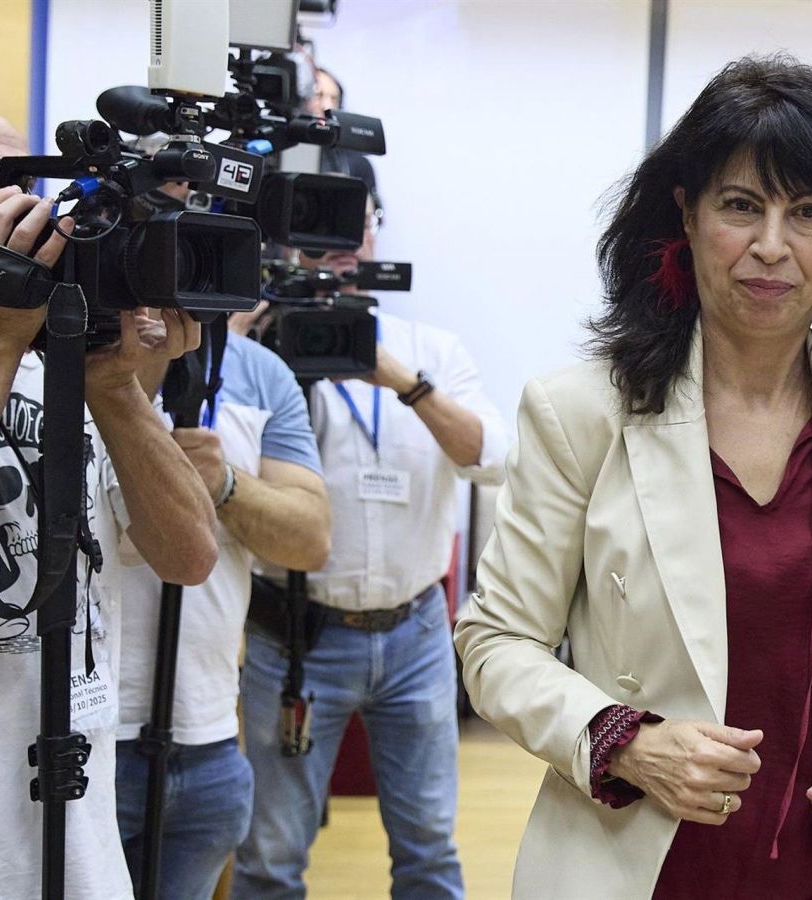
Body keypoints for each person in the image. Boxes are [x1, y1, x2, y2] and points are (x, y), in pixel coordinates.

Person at [455, 56, 812, 900]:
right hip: (634, 862)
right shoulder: (580, 411)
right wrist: (625, 740)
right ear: (686, 215)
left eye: (808, 212)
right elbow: (496, 640)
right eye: (741, 205)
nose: (772, 246)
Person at [233, 187, 510, 899]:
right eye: (320, 232)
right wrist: (240, 336)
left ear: (376, 232)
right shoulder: (257, 351)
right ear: (287, 244)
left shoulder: (428, 350)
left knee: (429, 851)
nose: (342, 249)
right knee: (271, 858)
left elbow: (492, 458)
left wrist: (400, 380)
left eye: (356, 228)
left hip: (416, 633)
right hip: (296, 635)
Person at [0, 116, 218, 898]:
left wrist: (115, 385)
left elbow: (188, 555)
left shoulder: (55, 350)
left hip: (77, 837)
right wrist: (0, 341)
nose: (20, 209)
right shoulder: (11, 340)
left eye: (24, 183)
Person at [112, 321, 331, 898]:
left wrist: (226, 484)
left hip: (207, 736)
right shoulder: (55, 347)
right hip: (79, 733)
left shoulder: (257, 371)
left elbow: (310, 541)